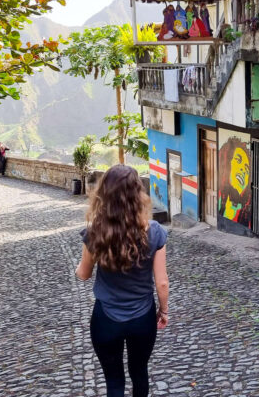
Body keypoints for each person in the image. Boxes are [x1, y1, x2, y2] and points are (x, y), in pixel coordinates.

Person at [75, 165, 169, 397]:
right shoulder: (155, 232)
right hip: (142, 318)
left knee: (114, 381)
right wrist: (163, 310)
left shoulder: (94, 232)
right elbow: (162, 283)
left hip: (106, 319)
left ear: (104, 194)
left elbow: (84, 274)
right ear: (138, 194)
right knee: (139, 372)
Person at [217, 136, 251, 226]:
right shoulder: (219, 198)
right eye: (238, 160)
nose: (243, 170)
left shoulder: (245, 216)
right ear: (226, 163)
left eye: (247, 168)